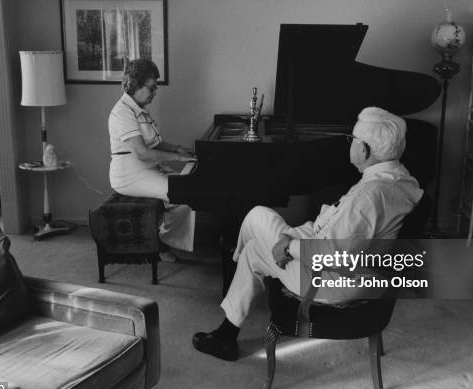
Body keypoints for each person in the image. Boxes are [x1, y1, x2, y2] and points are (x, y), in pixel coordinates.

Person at [192, 106, 423, 361]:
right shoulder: (397, 179)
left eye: (352, 140)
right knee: (255, 248)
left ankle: (235, 290)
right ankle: (226, 334)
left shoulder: (370, 195)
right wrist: (291, 238)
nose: (351, 145)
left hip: (336, 281)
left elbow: (334, 254)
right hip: (351, 272)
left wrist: (288, 247)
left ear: (365, 150)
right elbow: (329, 224)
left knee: (257, 217)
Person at [108, 58, 197, 260]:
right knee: (185, 195)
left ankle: (163, 236)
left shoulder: (138, 109)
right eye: (151, 88)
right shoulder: (122, 113)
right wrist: (178, 158)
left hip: (148, 170)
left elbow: (154, 143)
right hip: (130, 176)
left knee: (190, 190)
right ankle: (163, 242)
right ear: (135, 85)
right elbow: (143, 153)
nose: (154, 93)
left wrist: (179, 148)